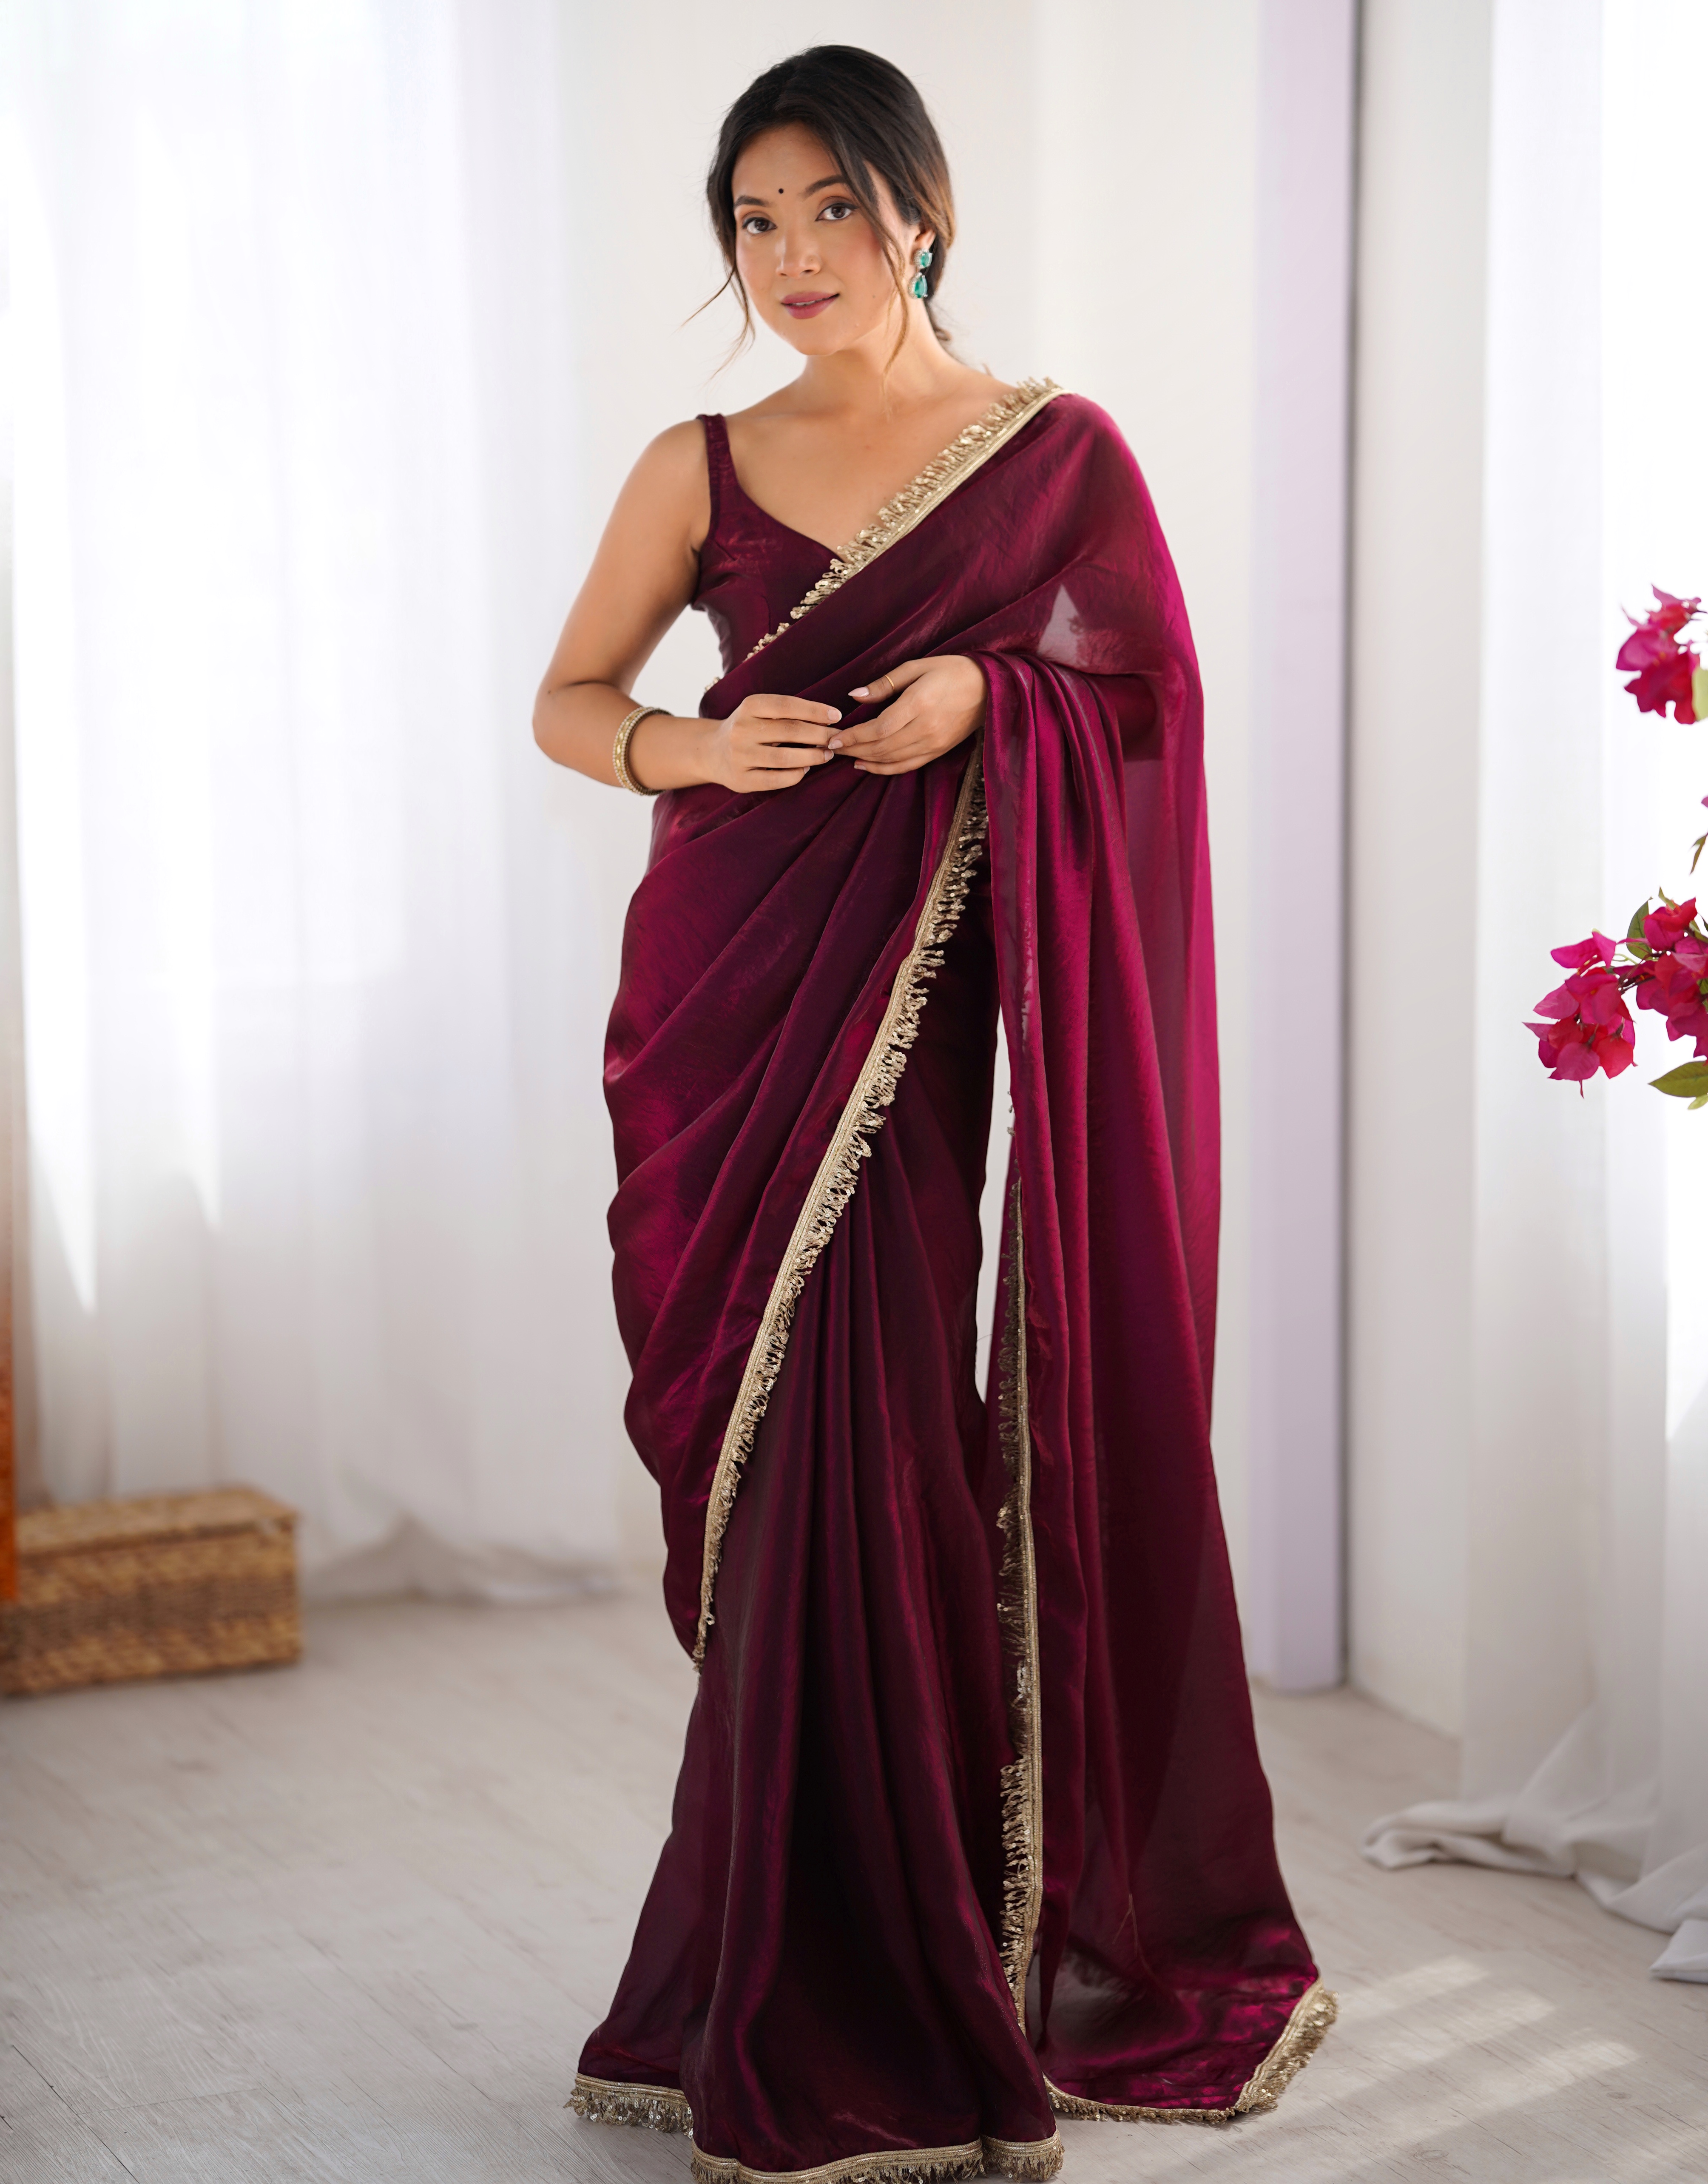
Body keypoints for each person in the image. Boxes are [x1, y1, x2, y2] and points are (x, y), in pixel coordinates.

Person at [533, 45, 1331, 2184]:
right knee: (791, 1444)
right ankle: (803, 1965)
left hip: (929, 1006)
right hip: (728, 993)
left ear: (919, 209)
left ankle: (899, 1959)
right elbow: (571, 700)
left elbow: (1143, 704)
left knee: (885, 1426)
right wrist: (692, 754)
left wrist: (993, 693)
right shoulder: (700, 461)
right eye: (753, 221)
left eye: (831, 209)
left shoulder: (1052, 454)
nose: (792, 256)